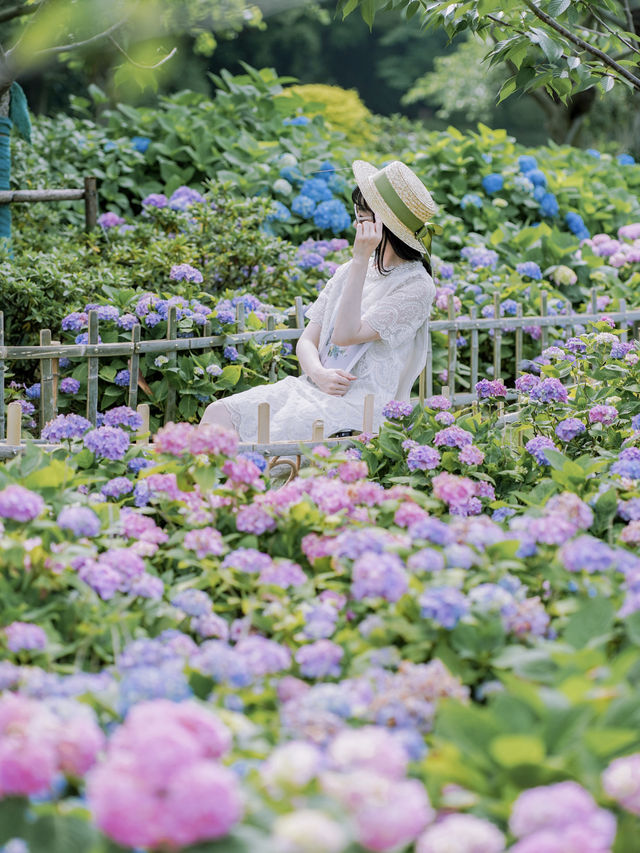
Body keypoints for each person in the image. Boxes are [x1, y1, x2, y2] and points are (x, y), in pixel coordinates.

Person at [201, 159, 439, 442]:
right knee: (219, 413)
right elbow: (306, 340)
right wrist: (318, 373)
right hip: (313, 388)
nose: (356, 223)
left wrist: (361, 258)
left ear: (383, 224)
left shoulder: (416, 286)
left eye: (363, 217)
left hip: (359, 407)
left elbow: (345, 335)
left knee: (280, 432)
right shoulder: (348, 271)